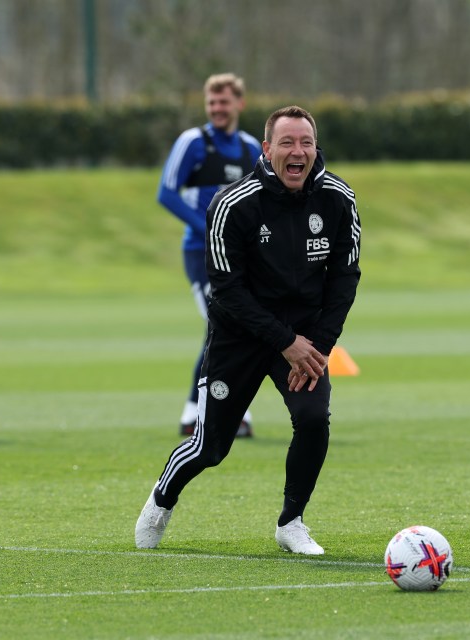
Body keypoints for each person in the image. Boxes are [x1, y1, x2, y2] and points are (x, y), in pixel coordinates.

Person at [136, 105, 361, 555]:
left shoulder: (338, 199)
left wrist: (316, 347)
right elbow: (226, 290)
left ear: (317, 149)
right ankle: (161, 501)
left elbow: (345, 278)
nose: (298, 152)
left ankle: (291, 522)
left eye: (307, 143)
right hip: (239, 336)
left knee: (313, 419)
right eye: (287, 143)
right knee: (211, 446)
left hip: (304, 338)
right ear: (267, 149)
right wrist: (286, 343)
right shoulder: (232, 203)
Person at [157, 73, 262, 438]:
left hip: (241, 257)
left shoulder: (252, 149)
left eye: (224, 102)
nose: (218, 109)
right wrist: (210, 228)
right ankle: (220, 413)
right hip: (201, 253)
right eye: (212, 103)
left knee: (239, 327)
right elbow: (167, 193)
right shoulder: (193, 143)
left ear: (239, 104)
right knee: (225, 325)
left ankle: (202, 413)